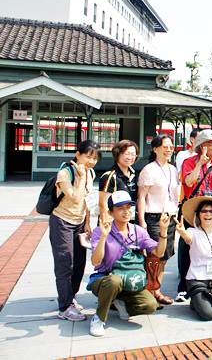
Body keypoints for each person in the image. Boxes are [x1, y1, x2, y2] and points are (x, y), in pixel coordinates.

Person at [89, 191, 169, 336]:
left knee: (150, 305)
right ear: (110, 212)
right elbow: (96, 261)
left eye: (128, 207)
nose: (126, 212)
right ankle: (99, 318)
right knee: (114, 281)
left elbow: (159, 253)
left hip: (131, 280)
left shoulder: (138, 231)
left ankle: (121, 302)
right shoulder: (99, 231)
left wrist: (163, 231)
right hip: (105, 280)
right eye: (120, 208)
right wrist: (103, 237)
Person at [51, 139, 100, 321]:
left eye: (94, 158)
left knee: (79, 264)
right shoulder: (65, 173)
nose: (91, 161)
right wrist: (80, 176)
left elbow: (87, 199)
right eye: (88, 156)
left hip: (79, 223)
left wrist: (88, 222)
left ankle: (69, 297)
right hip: (61, 222)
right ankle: (64, 307)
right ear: (78, 155)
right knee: (65, 263)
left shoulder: (90, 173)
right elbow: (75, 198)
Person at [177, 129, 212, 302]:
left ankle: (208, 282)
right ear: (201, 146)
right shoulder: (189, 162)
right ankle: (184, 286)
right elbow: (189, 181)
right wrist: (200, 164)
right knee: (187, 246)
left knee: (209, 247)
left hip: (211, 212)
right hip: (193, 210)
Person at [137, 134, 180, 305]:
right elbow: (141, 197)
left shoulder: (173, 169)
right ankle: (149, 292)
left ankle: (157, 290)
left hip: (169, 217)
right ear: (155, 149)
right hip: (154, 217)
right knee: (154, 257)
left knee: (165, 257)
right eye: (165, 146)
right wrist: (142, 222)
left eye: (171, 147)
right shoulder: (149, 170)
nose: (169, 150)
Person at [99, 140, 139, 223]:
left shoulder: (134, 174)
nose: (129, 157)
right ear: (118, 154)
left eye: (133, 154)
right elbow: (104, 204)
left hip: (129, 221)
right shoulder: (109, 176)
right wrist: (108, 225)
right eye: (126, 154)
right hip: (114, 224)